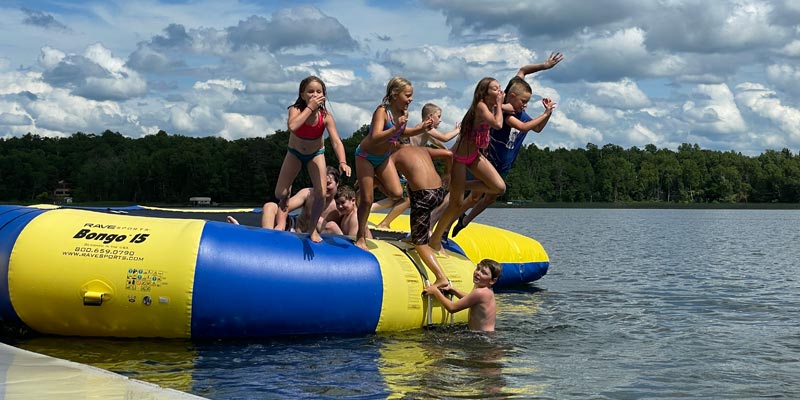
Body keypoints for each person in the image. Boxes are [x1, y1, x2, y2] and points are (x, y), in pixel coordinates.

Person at [451, 53, 563, 237]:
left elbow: (523, 71)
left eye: (527, 102)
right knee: (475, 195)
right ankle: (450, 216)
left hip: (505, 164)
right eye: (524, 102)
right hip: (490, 160)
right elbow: (524, 127)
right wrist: (541, 114)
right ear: (511, 96)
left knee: (491, 196)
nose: (525, 106)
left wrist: (545, 67)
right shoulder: (506, 114)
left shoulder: (519, 104)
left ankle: (464, 221)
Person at [428, 77, 506, 255]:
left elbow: (511, 109)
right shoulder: (480, 106)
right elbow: (498, 124)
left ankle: (460, 185)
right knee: (455, 204)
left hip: (475, 156)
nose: (499, 91)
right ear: (484, 93)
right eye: (495, 89)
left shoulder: (492, 106)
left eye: (499, 88)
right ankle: (435, 241)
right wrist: (500, 105)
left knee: (499, 187)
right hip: (460, 158)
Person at [354, 77, 432, 250]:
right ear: (395, 95)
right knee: (367, 199)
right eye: (408, 95)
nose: (411, 99)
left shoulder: (403, 113)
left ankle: (374, 181)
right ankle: (360, 236)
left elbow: (402, 132)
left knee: (397, 193)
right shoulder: (382, 111)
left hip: (383, 157)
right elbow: (375, 137)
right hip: (366, 156)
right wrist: (395, 128)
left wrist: (421, 129)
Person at [274, 76, 351, 243]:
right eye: (310, 92)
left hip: (315, 154)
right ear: (302, 95)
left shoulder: (326, 117)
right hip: (294, 153)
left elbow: (336, 141)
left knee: (321, 194)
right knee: (280, 193)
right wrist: (310, 108)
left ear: (324, 95)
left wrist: (342, 161)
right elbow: (293, 126)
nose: (314, 95)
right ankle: (286, 199)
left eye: (318, 91)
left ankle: (312, 229)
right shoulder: (295, 110)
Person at [372, 102, 460, 230]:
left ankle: (369, 210)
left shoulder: (425, 131)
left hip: (403, 165)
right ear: (430, 117)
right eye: (439, 116)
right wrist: (458, 130)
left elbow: (443, 147)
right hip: (404, 165)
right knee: (406, 199)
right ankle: (384, 223)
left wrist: (452, 152)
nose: (440, 120)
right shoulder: (426, 128)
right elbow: (445, 138)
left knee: (399, 198)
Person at [391, 144, 453, 288]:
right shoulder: (422, 149)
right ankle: (415, 235)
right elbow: (449, 154)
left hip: (424, 196)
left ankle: (441, 277)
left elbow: (389, 182)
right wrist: (447, 173)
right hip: (439, 192)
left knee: (420, 243)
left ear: (394, 143)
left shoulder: (395, 156)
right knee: (411, 188)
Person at [227, 167, 341, 236]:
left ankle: (253, 235)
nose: (324, 187)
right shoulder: (308, 193)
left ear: (337, 184)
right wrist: (281, 224)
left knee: (325, 223)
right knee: (270, 206)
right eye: (320, 183)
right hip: (293, 229)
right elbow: (284, 207)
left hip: (313, 239)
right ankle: (266, 238)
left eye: (328, 184)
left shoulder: (339, 206)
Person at [422, 259, 503, 332]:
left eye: (484, 273)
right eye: (478, 268)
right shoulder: (487, 291)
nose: (478, 273)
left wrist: (436, 291)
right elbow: (470, 300)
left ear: (492, 281)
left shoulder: (480, 292)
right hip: (485, 335)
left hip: (482, 337)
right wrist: (454, 290)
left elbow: (452, 308)